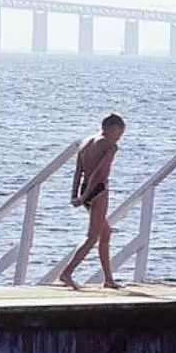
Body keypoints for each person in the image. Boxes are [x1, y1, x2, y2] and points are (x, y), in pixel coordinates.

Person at [58, 113, 126, 289]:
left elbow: (78, 171)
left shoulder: (86, 142)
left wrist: (75, 194)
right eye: (120, 132)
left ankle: (108, 279)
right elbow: (100, 172)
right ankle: (66, 273)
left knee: (105, 233)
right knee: (92, 236)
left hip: (85, 188)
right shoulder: (109, 145)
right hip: (98, 191)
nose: (120, 137)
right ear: (112, 128)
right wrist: (85, 196)